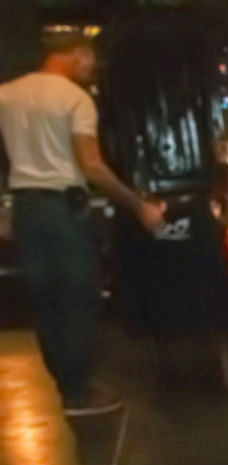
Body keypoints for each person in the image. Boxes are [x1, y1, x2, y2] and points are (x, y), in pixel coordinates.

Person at [0, 30, 164, 415]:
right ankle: (78, 392)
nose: (92, 68)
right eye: (89, 58)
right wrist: (138, 204)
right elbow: (91, 166)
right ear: (75, 54)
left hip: (26, 208)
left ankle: (65, 384)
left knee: (45, 300)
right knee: (80, 295)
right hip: (62, 208)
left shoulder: (7, 94)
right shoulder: (75, 98)